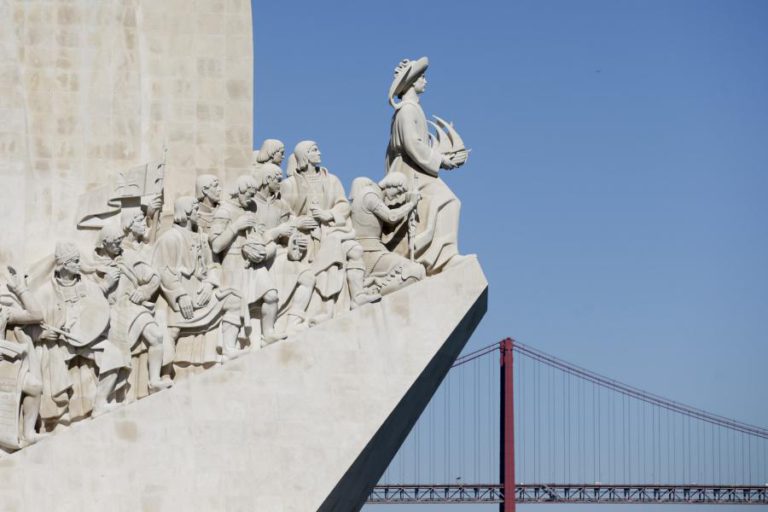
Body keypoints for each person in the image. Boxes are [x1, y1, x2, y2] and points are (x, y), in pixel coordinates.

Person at [385, 57, 468, 275]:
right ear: (412, 82)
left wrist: (442, 154)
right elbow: (412, 145)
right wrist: (441, 161)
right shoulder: (407, 110)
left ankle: (439, 255)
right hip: (410, 171)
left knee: (447, 202)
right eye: (421, 77)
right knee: (449, 201)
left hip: (417, 168)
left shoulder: (411, 109)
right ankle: (442, 258)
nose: (425, 81)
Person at [281, 141, 380, 316]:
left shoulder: (331, 180)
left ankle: (357, 296)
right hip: (305, 237)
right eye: (314, 150)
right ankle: (323, 309)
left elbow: (343, 205)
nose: (319, 153)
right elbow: (283, 213)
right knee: (323, 265)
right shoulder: (290, 184)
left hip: (331, 231)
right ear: (304, 156)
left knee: (355, 250)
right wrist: (299, 222)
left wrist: (329, 214)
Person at [36, 242, 129, 426]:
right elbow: (31, 323)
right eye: (75, 261)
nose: (79, 265)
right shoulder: (46, 291)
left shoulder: (87, 285)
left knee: (114, 355)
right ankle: (57, 416)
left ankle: (100, 404)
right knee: (48, 364)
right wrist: (42, 334)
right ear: (63, 264)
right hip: (61, 344)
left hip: (87, 340)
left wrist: (108, 284)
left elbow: (98, 305)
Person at [152, 197, 244, 362]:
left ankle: (229, 348)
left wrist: (209, 284)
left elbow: (213, 266)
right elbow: (163, 271)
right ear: (186, 212)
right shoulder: (170, 238)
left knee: (234, 300)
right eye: (195, 209)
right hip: (180, 298)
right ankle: (164, 371)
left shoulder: (202, 238)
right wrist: (180, 295)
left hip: (202, 294)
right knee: (171, 331)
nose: (199, 213)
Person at [93, 224, 171, 396]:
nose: (118, 245)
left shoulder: (127, 256)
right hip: (111, 315)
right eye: (115, 243)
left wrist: (143, 291)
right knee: (115, 353)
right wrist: (105, 284)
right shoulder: (93, 265)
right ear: (104, 243)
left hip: (132, 307)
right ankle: (106, 397)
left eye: (120, 241)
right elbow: (88, 297)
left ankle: (154, 381)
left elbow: (154, 277)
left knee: (156, 336)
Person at [209, 175, 285, 346]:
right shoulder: (224, 211)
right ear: (239, 191)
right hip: (233, 264)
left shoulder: (249, 211)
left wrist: (263, 248)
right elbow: (216, 245)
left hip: (254, 263)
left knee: (271, 296)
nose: (251, 199)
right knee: (235, 305)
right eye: (249, 195)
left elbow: (259, 236)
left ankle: (268, 334)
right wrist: (236, 226)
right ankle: (229, 347)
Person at [252, 163, 317, 333]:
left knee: (308, 278)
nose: (280, 184)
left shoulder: (281, 205)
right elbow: (251, 238)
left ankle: (293, 323)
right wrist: (277, 232)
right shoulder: (251, 205)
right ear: (267, 179)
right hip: (259, 257)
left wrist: (295, 242)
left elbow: (288, 233)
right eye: (277, 180)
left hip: (280, 254)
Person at [349, 172, 426, 295]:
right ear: (391, 185)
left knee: (417, 271)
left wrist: (406, 205)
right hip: (370, 252)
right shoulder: (370, 196)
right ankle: (373, 293)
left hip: (374, 251)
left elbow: (388, 227)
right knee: (415, 271)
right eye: (399, 191)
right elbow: (391, 217)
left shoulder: (373, 196)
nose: (398, 196)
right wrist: (411, 204)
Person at [0, 266, 45, 448]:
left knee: (34, 387)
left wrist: (20, 289)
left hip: (4, 366)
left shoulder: (3, 312)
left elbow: (36, 315)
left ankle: (29, 434)